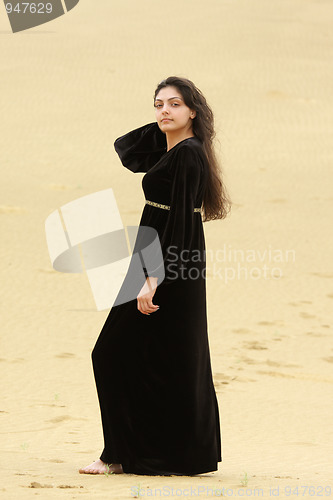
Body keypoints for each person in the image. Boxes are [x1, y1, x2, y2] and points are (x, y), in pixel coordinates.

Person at [79, 76, 232, 476]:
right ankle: (143, 453)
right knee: (155, 353)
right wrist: (170, 126)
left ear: (194, 111)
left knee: (114, 352)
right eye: (158, 104)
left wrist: (153, 279)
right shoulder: (181, 149)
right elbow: (130, 151)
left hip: (168, 259)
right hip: (158, 253)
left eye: (175, 104)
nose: (163, 110)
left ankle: (119, 454)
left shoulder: (189, 154)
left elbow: (180, 219)